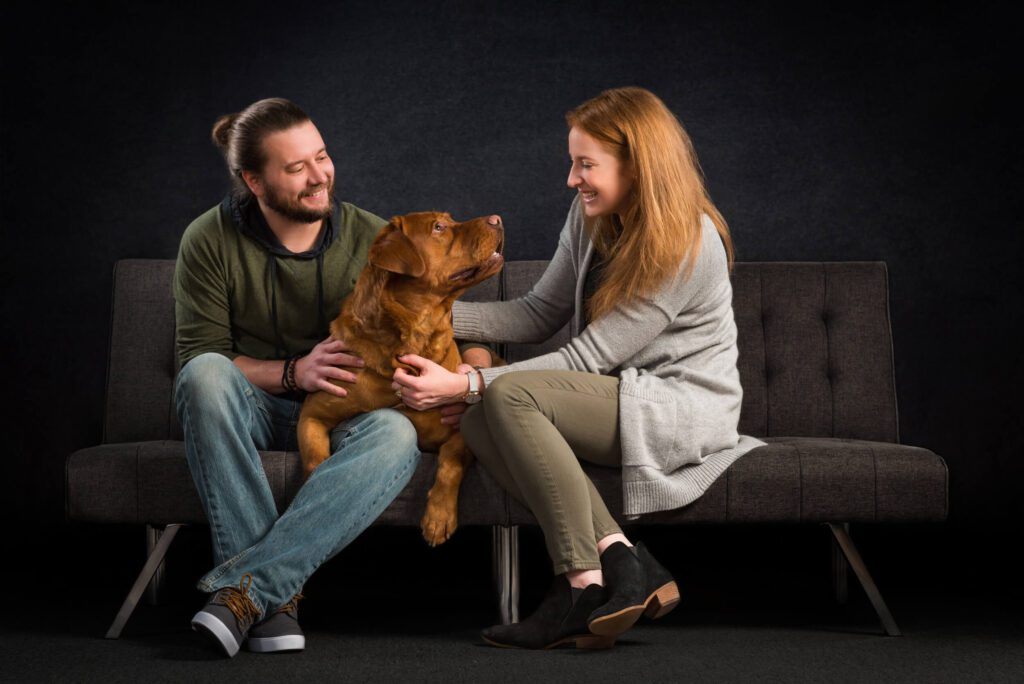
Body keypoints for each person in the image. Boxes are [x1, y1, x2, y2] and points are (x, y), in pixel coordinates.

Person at [392, 87, 766, 649]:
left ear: (637, 166)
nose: (572, 179)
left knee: (507, 398)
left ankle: (579, 584)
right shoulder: (591, 214)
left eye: (585, 164)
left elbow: (585, 358)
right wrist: (419, 312)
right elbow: (537, 312)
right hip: (616, 395)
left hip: (678, 408)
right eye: (573, 163)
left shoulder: (688, 241)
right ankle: (616, 566)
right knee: (473, 422)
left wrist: (463, 382)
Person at [173, 98, 444, 657]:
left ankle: (248, 596)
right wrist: (295, 371)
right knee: (203, 375)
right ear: (254, 180)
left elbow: (434, 310)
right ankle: (271, 599)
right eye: (296, 168)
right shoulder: (207, 239)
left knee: (397, 433)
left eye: (322, 157)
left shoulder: (374, 237)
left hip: (347, 411)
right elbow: (203, 356)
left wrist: (470, 367)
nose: (320, 176)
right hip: (249, 410)